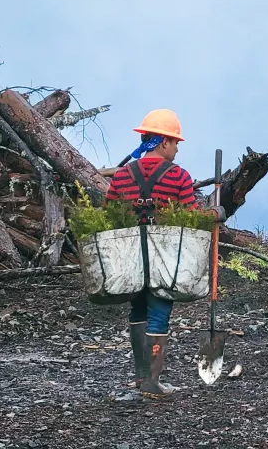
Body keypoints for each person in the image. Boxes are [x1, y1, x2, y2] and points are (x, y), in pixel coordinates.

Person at [106, 109, 222, 395]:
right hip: (165, 256)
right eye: (175, 141)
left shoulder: (122, 176)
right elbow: (191, 216)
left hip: (130, 256)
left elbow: (109, 214)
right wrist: (217, 214)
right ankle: (151, 383)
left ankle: (140, 376)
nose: (178, 147)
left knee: (137, 309)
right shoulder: (178, 176)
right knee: (160, 311)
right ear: (162, 142)